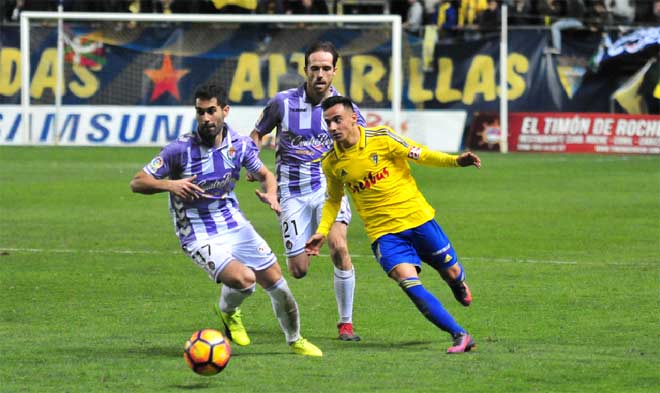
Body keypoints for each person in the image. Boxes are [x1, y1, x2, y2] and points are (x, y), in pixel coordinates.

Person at [130, 83, 322, 357]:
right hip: (197, 233)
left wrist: (271, 193)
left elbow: (267, 174)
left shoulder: (240, 146)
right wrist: (170, 185)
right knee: (245, 281)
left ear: (225, 111)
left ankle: (295, 340)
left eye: (211, 111)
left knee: (278, 284)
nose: (206, 118)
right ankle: (228, 311)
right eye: (200, 112)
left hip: (234, 224)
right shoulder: (179, 150)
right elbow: (137, 182)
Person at [306, 96, 481, 354]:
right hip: (384, 235)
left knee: (452, 272)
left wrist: (455, 161)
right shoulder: (331, 162)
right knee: (407, 282)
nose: (332, 127)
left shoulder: (383, 138)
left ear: (353, 117)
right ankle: (460, 335)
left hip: (418, 219)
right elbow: (333, 200)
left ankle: (457, 283)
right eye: (328, 122)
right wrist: (321, 232)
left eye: (337, 120)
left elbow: (420, 154)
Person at [250, 41, 364, 342]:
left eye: (326, 68)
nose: (320, 74)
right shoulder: (283, 103)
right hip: (292, 192)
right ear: (305, 70)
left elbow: (362, 140)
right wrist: (253, 165)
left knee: (339, 246)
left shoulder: (345, 107)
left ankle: (346, 324)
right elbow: (257, 133)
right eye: (315, 68)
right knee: (299, 270)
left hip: (330, 189)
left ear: (335, 71)